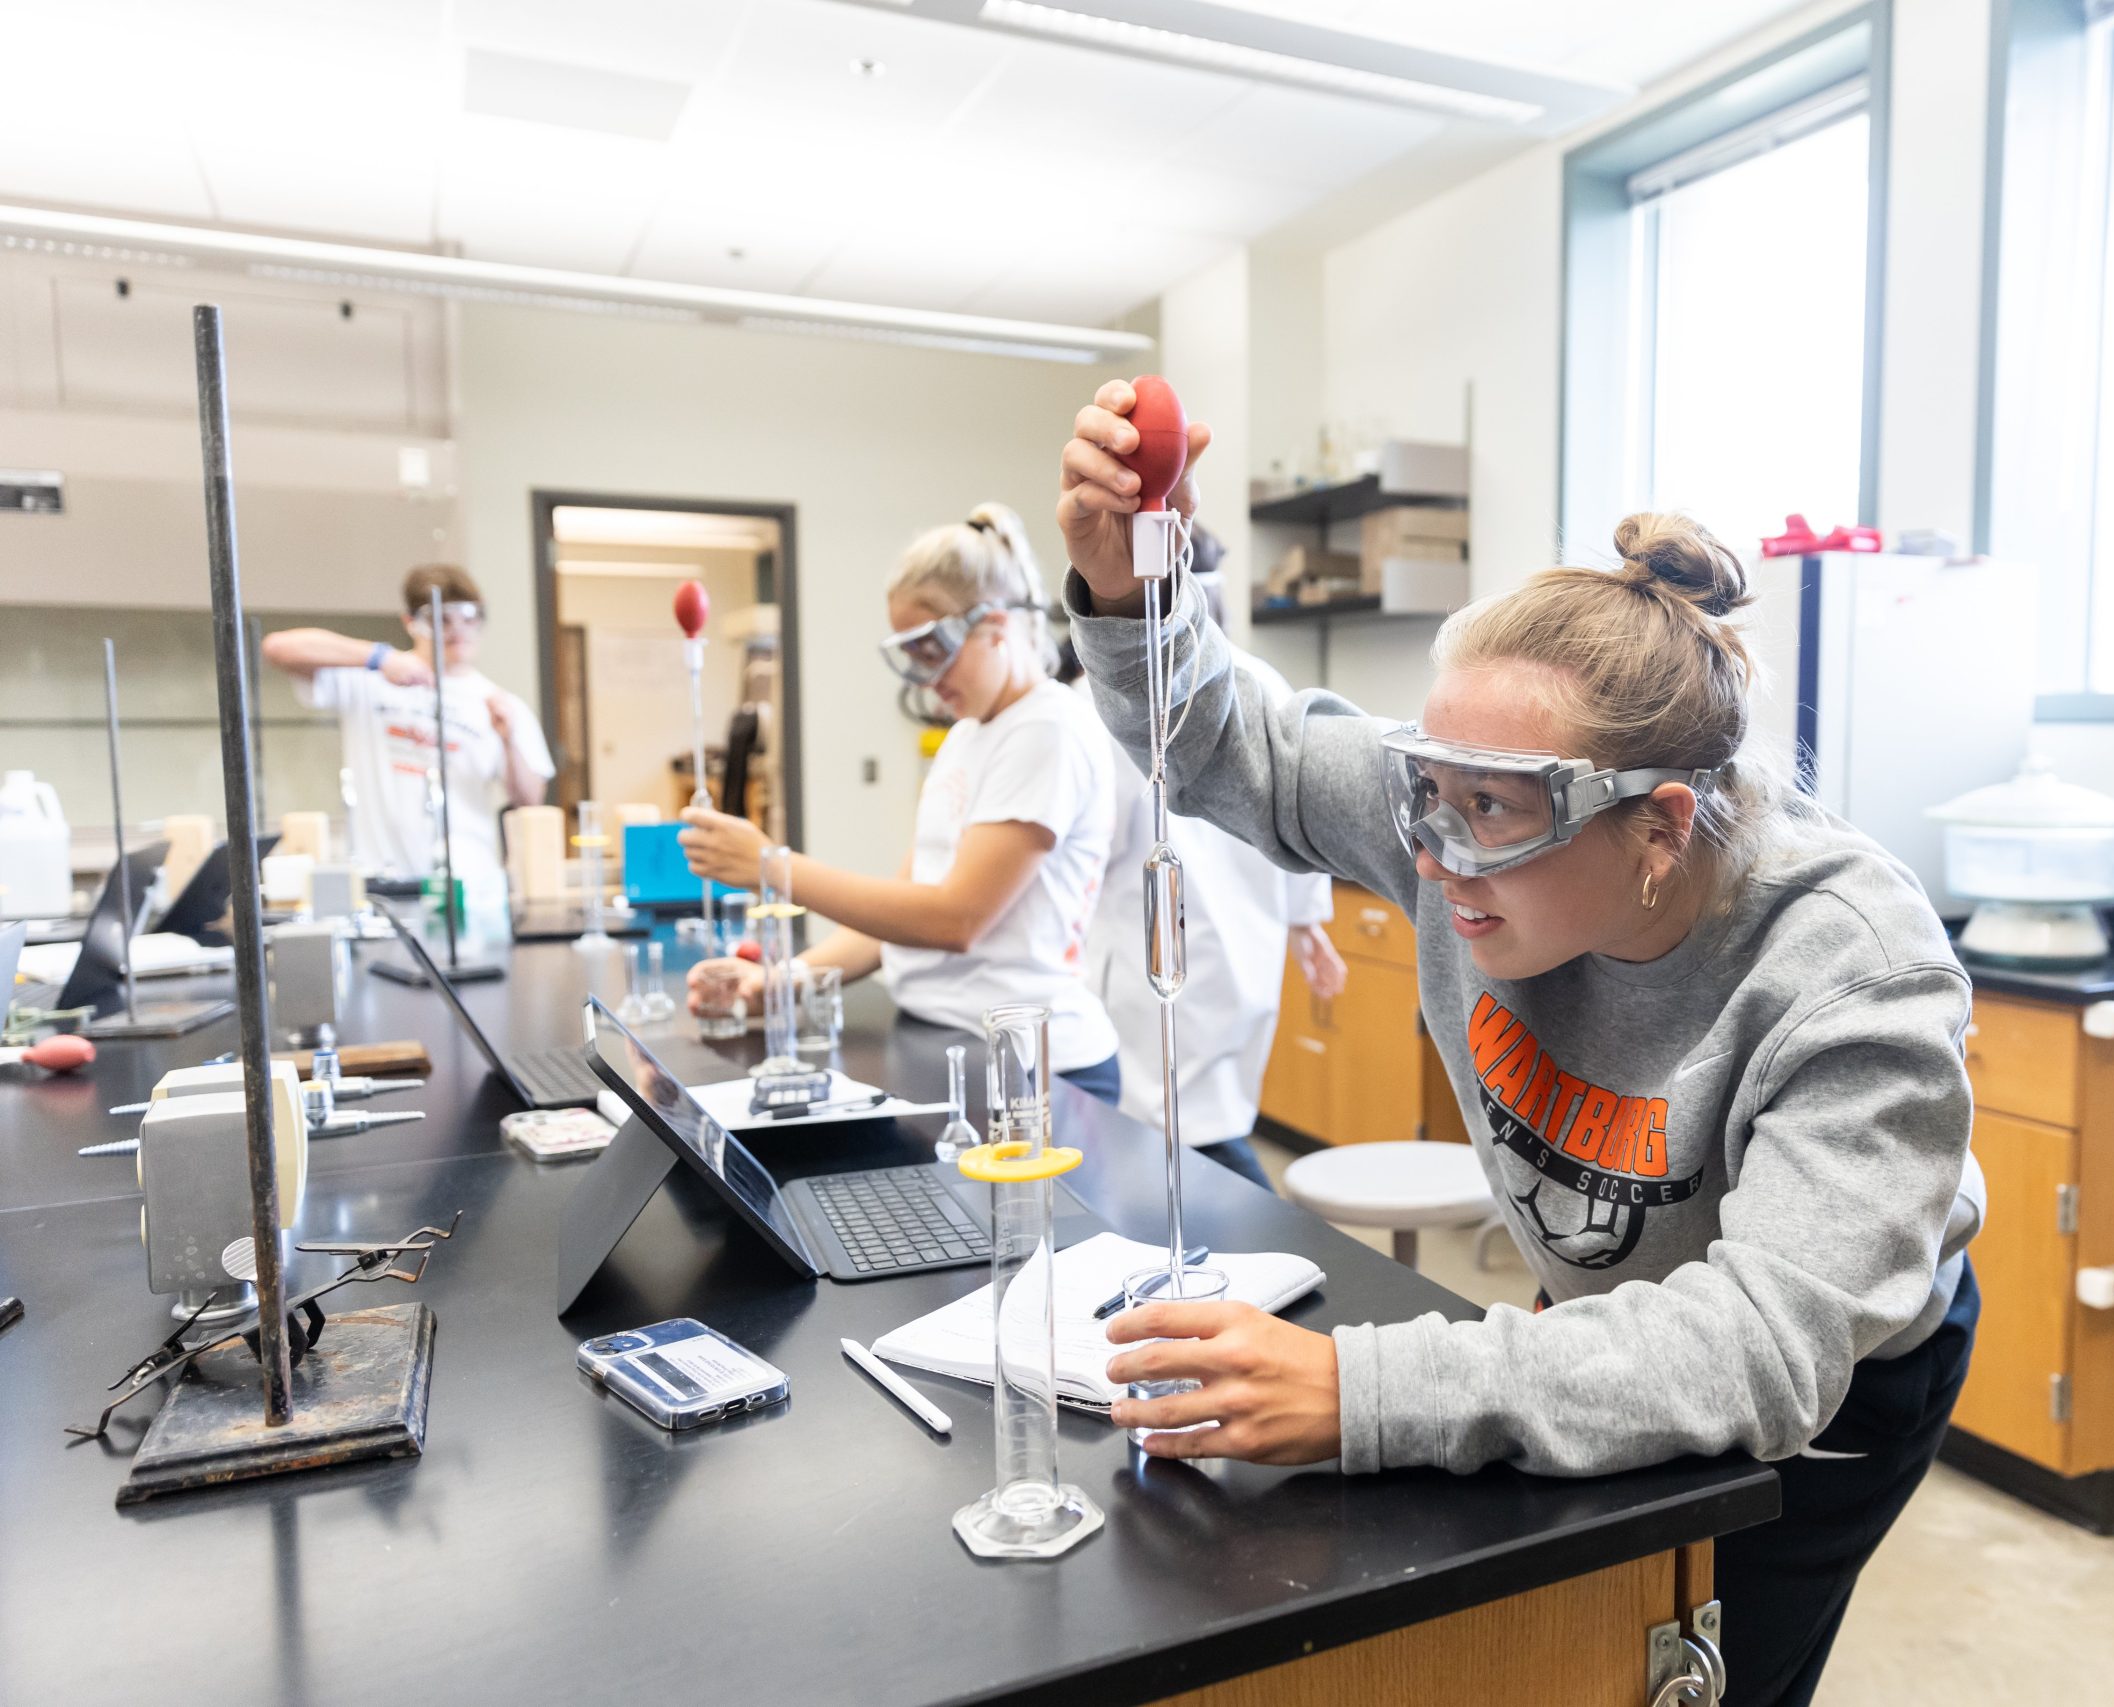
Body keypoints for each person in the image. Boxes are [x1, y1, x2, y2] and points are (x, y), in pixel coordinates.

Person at [1058, 383, 1984, 1707]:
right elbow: (1226, 743)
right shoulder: (1462, 808)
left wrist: (1357, 1388)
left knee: (1700, 1667)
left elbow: (1759, 1347)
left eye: (1485, 812)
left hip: (1835, 1380)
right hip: (1617, 1297)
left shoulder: (1851, 970)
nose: (1434, 854)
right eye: (1427, 792)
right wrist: (1128, 571)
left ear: (1660, 827)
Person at [679, 504, 1122, 1100]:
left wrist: (772, 867)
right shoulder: (968, 735)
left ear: (996, 624)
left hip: (1035, 1065)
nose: (925, 678)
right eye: (912, 657)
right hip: (948, 1039)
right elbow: (901, 916)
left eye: (935, 649)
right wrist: (779, 981)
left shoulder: (1048, 729)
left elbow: (954, 919)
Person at [1082, 536, 1348, 1189]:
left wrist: (1306, 922)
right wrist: (1307, 921)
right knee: (1192, 1125)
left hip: (1161, 955)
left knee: (1179, 1131)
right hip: (1223, 949)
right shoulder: (1259, 677)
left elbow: (1298, 805)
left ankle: (1256, 1252)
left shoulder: (1109, 696)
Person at [261, 564, 552, 896]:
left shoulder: (503, 705)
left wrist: (508, 739)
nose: (458, 631)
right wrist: (378, 658)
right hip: (383, 884)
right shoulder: (373, 680)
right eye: (443, 620)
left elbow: (529, 801)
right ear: (412, 623)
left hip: (468, 886)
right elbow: (278, 647)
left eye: (470, 618)